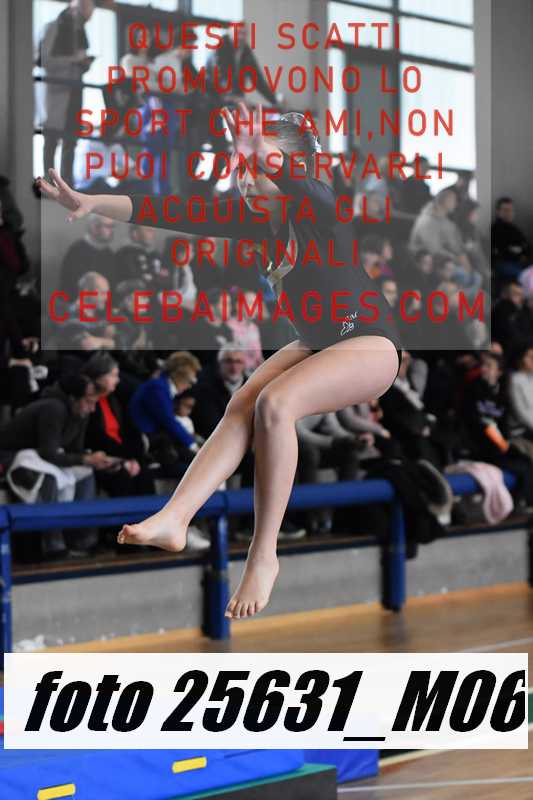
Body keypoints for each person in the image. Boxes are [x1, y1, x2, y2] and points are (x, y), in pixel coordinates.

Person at [37, 102, 402, 619]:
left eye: (258, 168)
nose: (245, 178)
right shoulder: (254, 222)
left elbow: (309, 187)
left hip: (370, 343)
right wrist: (92, 201)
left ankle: (264, 554)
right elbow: (168, 210)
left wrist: (265, 154)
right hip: (320, 341)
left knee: (276, 404)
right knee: (243, 404)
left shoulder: (322, 211)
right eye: (241, 167)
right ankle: (175, 518)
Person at [39, 0, 95, 186]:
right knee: (51, 137)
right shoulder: (53, 28)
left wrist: (84, 64)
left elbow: (77, 63)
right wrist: (73, 59)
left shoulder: (80, 32)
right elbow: (45, 60)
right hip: (58, 92)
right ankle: (48, 182)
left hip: (75, 90)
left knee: (71, 139)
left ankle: (67, 184)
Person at [83, 352, 156, 498]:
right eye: (113, 375)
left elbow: (130, 429)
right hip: (102, 455)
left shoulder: (115, 398)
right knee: (122, 477)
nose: (117, 380)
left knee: (144, 473)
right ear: (99, 376)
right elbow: (94, 437)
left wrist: (134, 458)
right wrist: (124, 460)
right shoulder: (88, 402)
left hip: (123, 453)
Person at [58, 215, 116, 296]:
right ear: (94, 227)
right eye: (108, 226)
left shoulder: (109, 253)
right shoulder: (77, 252)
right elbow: (69, 288)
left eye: (112, 226)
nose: (112, 230)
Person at [491, 197, 531, 281]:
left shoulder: (514, 229)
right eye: (505, 210)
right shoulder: (496, 229)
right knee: (527, 277)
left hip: (520, 262)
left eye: (511, 210)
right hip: (505, 264)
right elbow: (502, 250)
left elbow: (526, 245)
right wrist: (519, 252)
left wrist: (522, 251)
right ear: (498, 212)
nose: (509, 213)